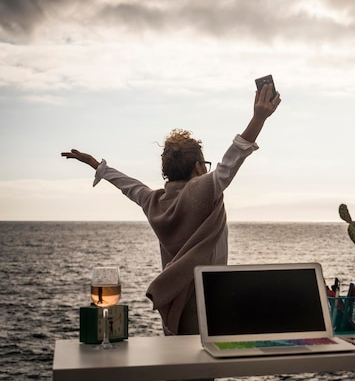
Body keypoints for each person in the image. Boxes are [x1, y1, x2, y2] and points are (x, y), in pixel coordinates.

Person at [62, 82, 281, 336]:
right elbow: (235, 156)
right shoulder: (207, 190)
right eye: (205, 165)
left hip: (176, 308)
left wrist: (99, 167)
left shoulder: (154, 201)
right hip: (211, 308)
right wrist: (258, 118)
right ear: (199, 167)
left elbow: (130, 186)